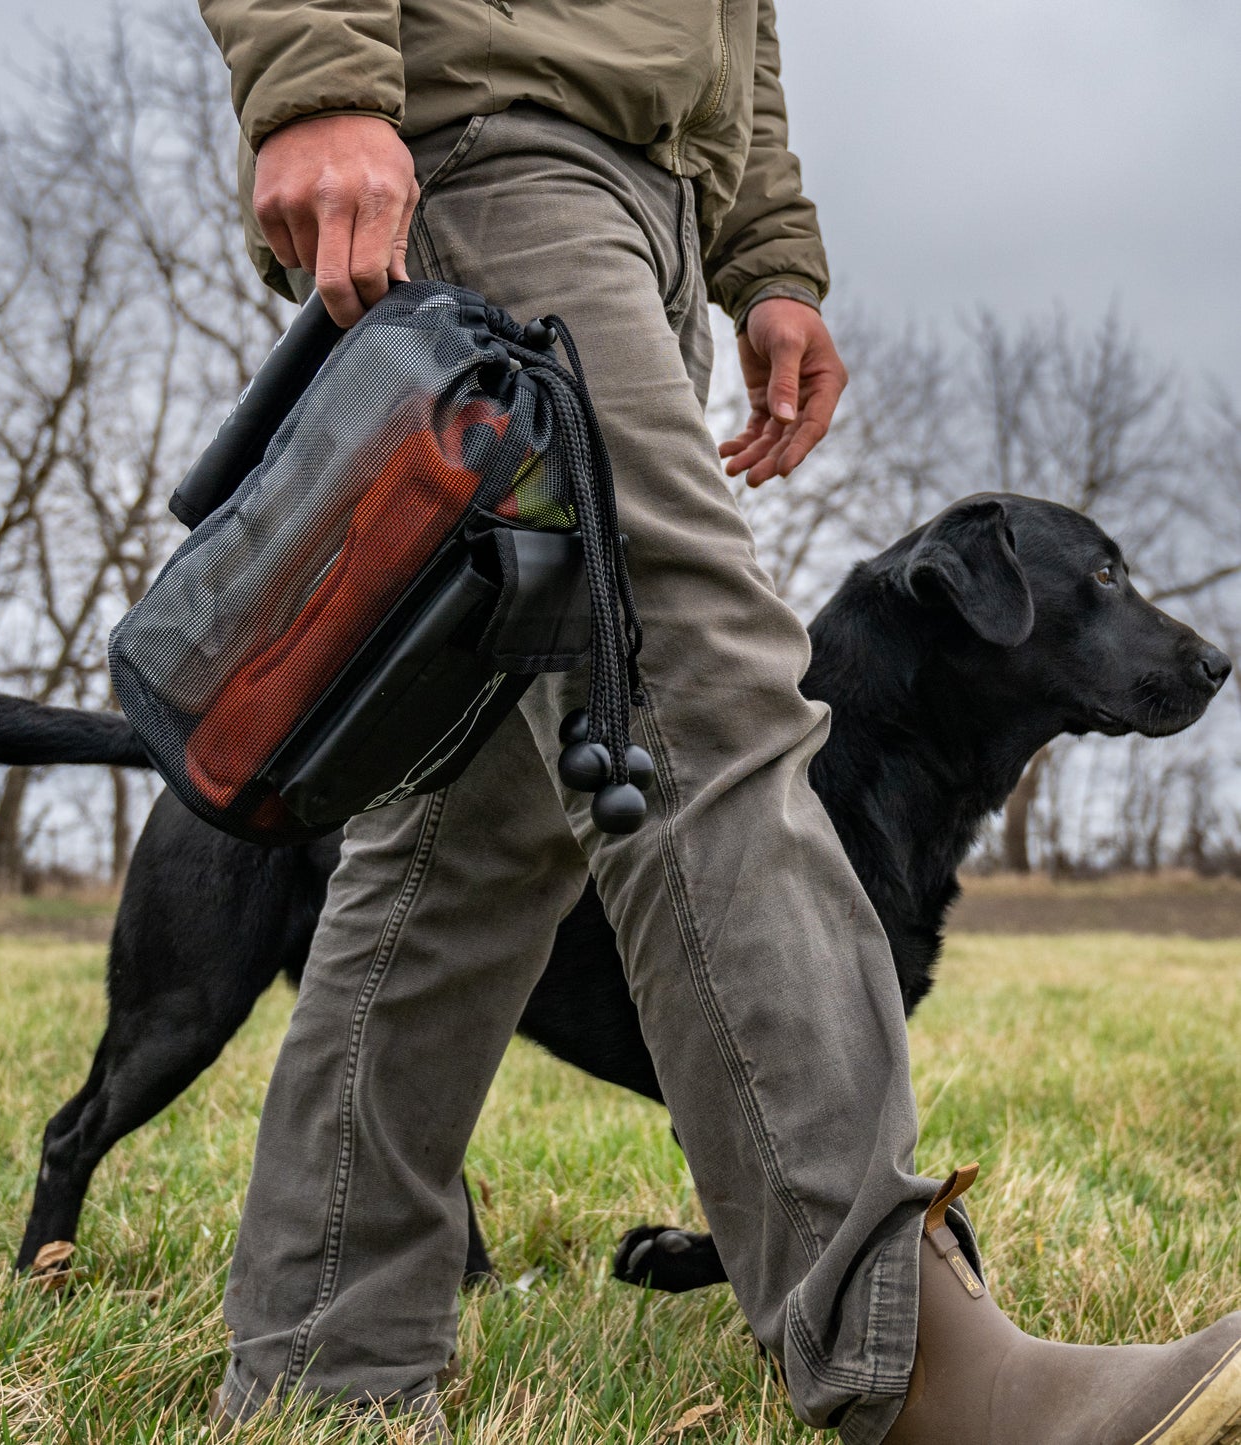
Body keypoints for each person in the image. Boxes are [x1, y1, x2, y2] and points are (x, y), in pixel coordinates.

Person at [196, 3, 1241, 1440]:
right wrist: (314, 73)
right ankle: (914, 1362)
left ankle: (325, 1363)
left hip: (646, 197)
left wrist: (764, 254)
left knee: (478, 811)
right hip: (491, 141)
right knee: (713, 690)